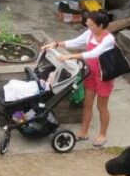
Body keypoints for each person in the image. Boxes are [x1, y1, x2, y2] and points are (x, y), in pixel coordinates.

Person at [43, 10, 116, 147]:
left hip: (104, 75)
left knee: (102, 106)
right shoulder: (90, 33)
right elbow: (76, 42)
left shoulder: (109, 39)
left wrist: (71, 56)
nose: (89, 28)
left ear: (100, 25)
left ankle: (102, 134)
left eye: (91, 25)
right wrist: (56, 44)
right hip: (90, 73)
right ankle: (83, 132)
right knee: (87, 104)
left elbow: (94, 53)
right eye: (88, 25)